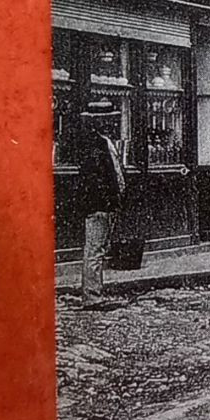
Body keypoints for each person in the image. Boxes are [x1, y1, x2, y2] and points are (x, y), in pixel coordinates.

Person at [77, 99, 129, 311]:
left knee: (98, 249)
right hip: (99, 206)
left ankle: (94, 293)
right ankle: (92, 297)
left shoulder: (103, 141)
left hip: (104, 205)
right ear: (98, 122)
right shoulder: (93, 144)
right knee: (95, 250)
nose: (110, 123)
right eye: (107, 120)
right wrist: (106, 203)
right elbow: (95, 179)